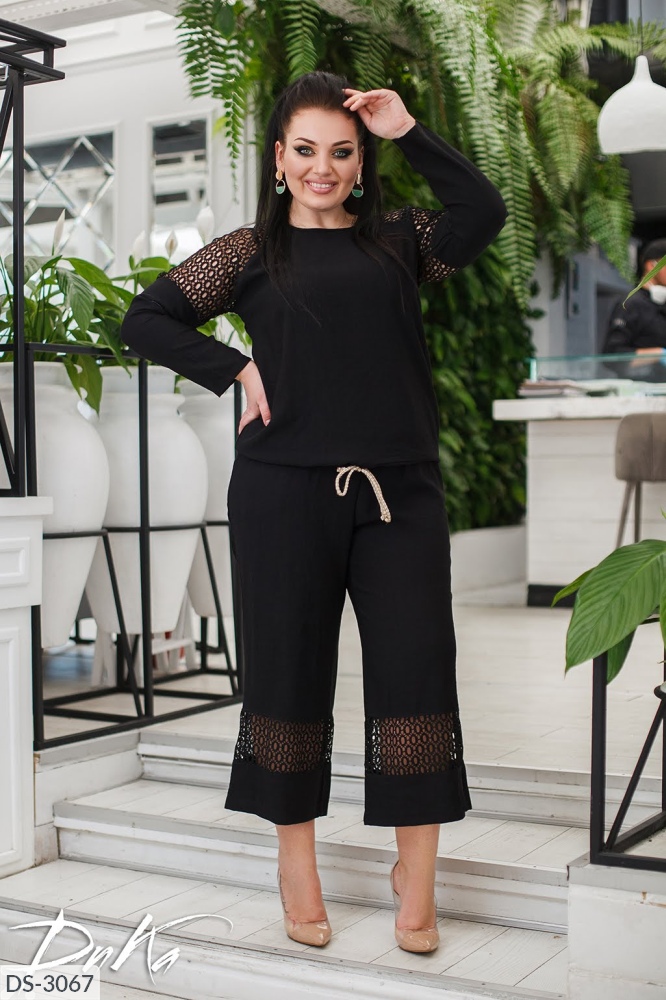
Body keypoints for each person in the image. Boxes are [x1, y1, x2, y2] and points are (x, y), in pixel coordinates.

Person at [120, 71, 507, 954]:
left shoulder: (401, 241)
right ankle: (297, 866)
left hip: (399, 496)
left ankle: (417, 877)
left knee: (416, 676)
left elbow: (483, 211)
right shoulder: (248, 252)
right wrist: (234, 368)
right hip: (281, 494)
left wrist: (407, 129)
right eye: (305, 150)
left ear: (362, 162)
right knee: (287, 678)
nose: (322, 167)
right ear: (279, 158)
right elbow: (147, 319)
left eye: (341, 151)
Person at [603, 238, 666, 382]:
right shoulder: (630, 304)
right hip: (640, 389)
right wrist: (658, 354)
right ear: (652, 266)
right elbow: (612, 356)